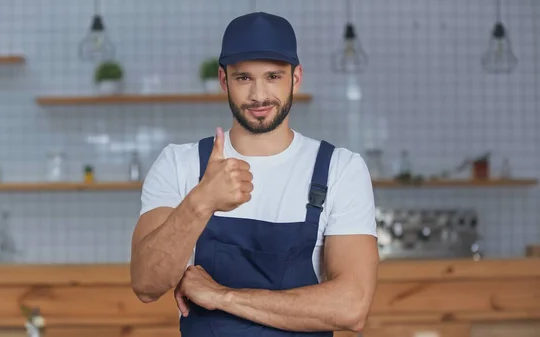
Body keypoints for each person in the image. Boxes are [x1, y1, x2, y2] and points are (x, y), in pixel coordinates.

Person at [130, 11, 379, 336]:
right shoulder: (180, 164)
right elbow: (146, 285)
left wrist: (223, 297)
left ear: (296, 77)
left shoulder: (340, 169)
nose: (259, 95)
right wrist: (200, 202)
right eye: (244, 78)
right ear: (224, 80)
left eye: (273, 76)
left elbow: (351, 307)